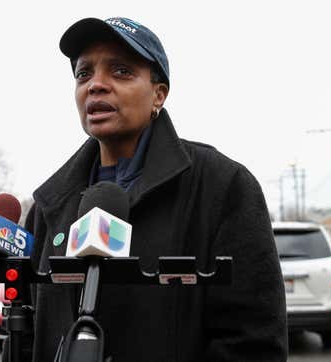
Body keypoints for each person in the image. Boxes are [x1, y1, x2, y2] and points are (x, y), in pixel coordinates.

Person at [24, 17, 287, 361]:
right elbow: (26, 333)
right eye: (83, 74)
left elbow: (254, 342)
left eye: (120, 72)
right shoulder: (47, 206)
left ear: (158, 95)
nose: (96, 85)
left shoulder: (223, 187)